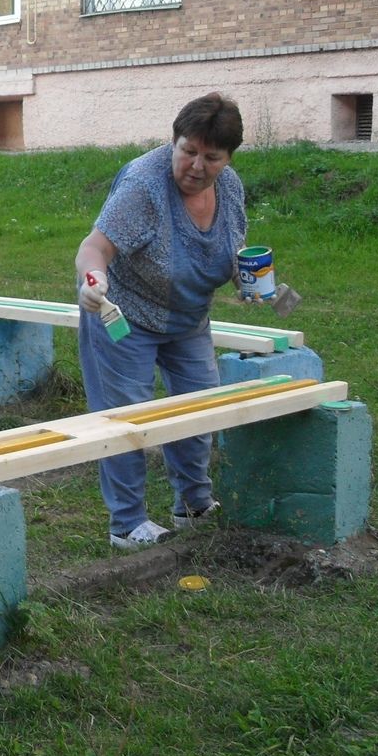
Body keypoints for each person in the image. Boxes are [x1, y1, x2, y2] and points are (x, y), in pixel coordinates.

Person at [75, 93, 247, 551]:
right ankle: (127, 524)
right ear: (173, 142)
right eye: (188, 151)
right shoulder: (144, 186)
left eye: (211, 157)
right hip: (123, 317)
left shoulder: (230, 188)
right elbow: (94, 249)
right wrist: (94, 282)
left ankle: (192, 503)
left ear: (228, 159)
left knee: (197, 407)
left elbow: (224, 251)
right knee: (128, 417)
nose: (196, 165)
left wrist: (250, 281)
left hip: (187, 319)